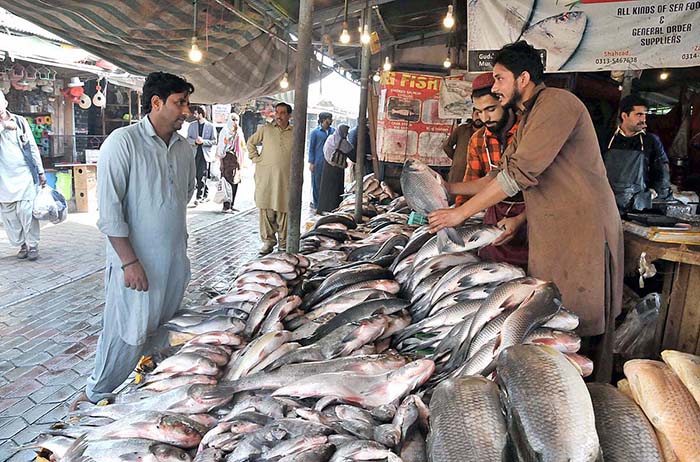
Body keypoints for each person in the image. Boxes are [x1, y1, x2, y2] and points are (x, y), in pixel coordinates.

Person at [428, 41, 623, 382]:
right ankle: (553, 383)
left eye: (500, 78)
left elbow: (517, 176)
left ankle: (591, 392)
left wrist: (459, 215)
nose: (495, 86)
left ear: (523, 78)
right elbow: (499, 173)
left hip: (582, 228)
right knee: (549, 310)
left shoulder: (557, 105)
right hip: (549, 228)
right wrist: (448, 189)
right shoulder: (528, 115)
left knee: (581, 319)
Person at [71, 72, 196, 409]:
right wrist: (129, 262)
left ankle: (147, 391)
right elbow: (110, 213)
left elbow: (184, 195)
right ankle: (93, 396)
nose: (186, 110)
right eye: (179, 102)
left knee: (162, 330)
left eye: (187, 102)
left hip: (172, 262)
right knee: (125, 332)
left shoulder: (184, 148)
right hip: (135, 265)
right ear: (156, 103)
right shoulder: (122, 142)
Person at [448, 72, 528, 267]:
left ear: (504, 101)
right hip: (495, 219)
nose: (485, 118)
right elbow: (473, 180)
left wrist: (520, 219)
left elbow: (545, 189)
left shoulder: (527, 132)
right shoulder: (477, 140)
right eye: (479, 111)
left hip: (531, 217)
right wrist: (456, 218)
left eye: (491, 109)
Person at [604, 94, 672, 213]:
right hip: (606, 203)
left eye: (645, 114)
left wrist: (654, 196)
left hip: (637, 207)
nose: (643, 119)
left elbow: (662, 174)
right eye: (639, 114)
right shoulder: (606, 138)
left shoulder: (651, 141)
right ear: (624, 115)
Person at [0, 90, 46, 260]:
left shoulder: (20, 121)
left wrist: (40, 171)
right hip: (3, 179)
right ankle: (22, 245)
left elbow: (32, 146)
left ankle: (33, 245)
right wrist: (3, 126)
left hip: (24, 174)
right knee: (10, 216)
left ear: (5, 103)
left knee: (27, 212)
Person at [247, 102, 294, 255]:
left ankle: (283, 243)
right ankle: (268, 242)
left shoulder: (295, 132)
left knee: (284, 210)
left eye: (282, 113)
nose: (278, 116)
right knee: (266, 209)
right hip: (266, 178)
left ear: (289, 115)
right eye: (277, 112)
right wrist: (256, 158)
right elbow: (251, 143)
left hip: (285, 179)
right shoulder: (265, 130)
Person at [318, 124, 353, 213]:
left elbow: (325, 150)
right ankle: (333, 209)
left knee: (325, 189)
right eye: (346, 132)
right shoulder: (344, 143)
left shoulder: (330, 138)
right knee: (335, 190)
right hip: (337, 170)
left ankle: (323, 208)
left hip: (327, 167)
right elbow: (353, 156)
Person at [216, 112, 246, 213]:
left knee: (235, 181)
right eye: (232, 119)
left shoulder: (239, 131)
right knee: (227, 182)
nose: (234, 122)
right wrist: (221, 159)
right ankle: (226, 205)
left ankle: (232, 204)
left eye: (236, 119)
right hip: (227, 158)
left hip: (236, 159)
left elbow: (242, 145)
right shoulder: (225, 131)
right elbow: (221, 146)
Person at [187, 106, 217, 205]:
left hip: (205, 154)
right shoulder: (192, 126)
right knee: (196, 175)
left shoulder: (210, 126)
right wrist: (195, 141)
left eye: (196, 113)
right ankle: (205, 194)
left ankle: (199, 196)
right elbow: (188, 139)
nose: (194, 115)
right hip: (194, 153)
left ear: (201, 114)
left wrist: (203, 141)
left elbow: (214, 141)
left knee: (202, 175)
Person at [442, 118, 481, 185]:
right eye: (476, 113)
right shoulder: (462, 129)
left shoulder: (488, 132)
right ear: (472, 115)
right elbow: (446, 146)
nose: (478, 117)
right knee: (454, 192)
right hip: (458, 172)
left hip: (478, 173)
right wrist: (457, 158)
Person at [308, 112, 334, 210]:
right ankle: (317, 205)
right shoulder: (315, 132)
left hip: (329, 162)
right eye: (329, 119)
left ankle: (325, 204)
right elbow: (311, 148)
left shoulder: (333, 131)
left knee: (327, 183)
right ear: (324, 120)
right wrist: (311, 162)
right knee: (316, 183)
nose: (331, 120)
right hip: (318, 162)